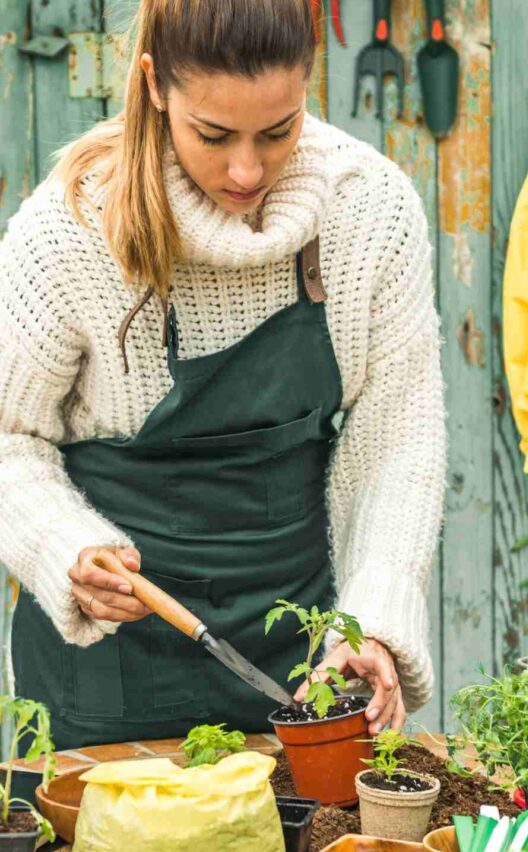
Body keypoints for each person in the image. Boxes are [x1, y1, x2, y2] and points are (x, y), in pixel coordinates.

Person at [0, 0, 446, 750]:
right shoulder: (70, 230)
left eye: (279, 130)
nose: (247, 170)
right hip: (107, 677)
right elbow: (9, 440)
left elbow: (399, 437)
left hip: (301, 670)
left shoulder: (368, 210)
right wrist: (63, 545)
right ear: (154, 86)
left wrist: (369, 621)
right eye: (213, 134)